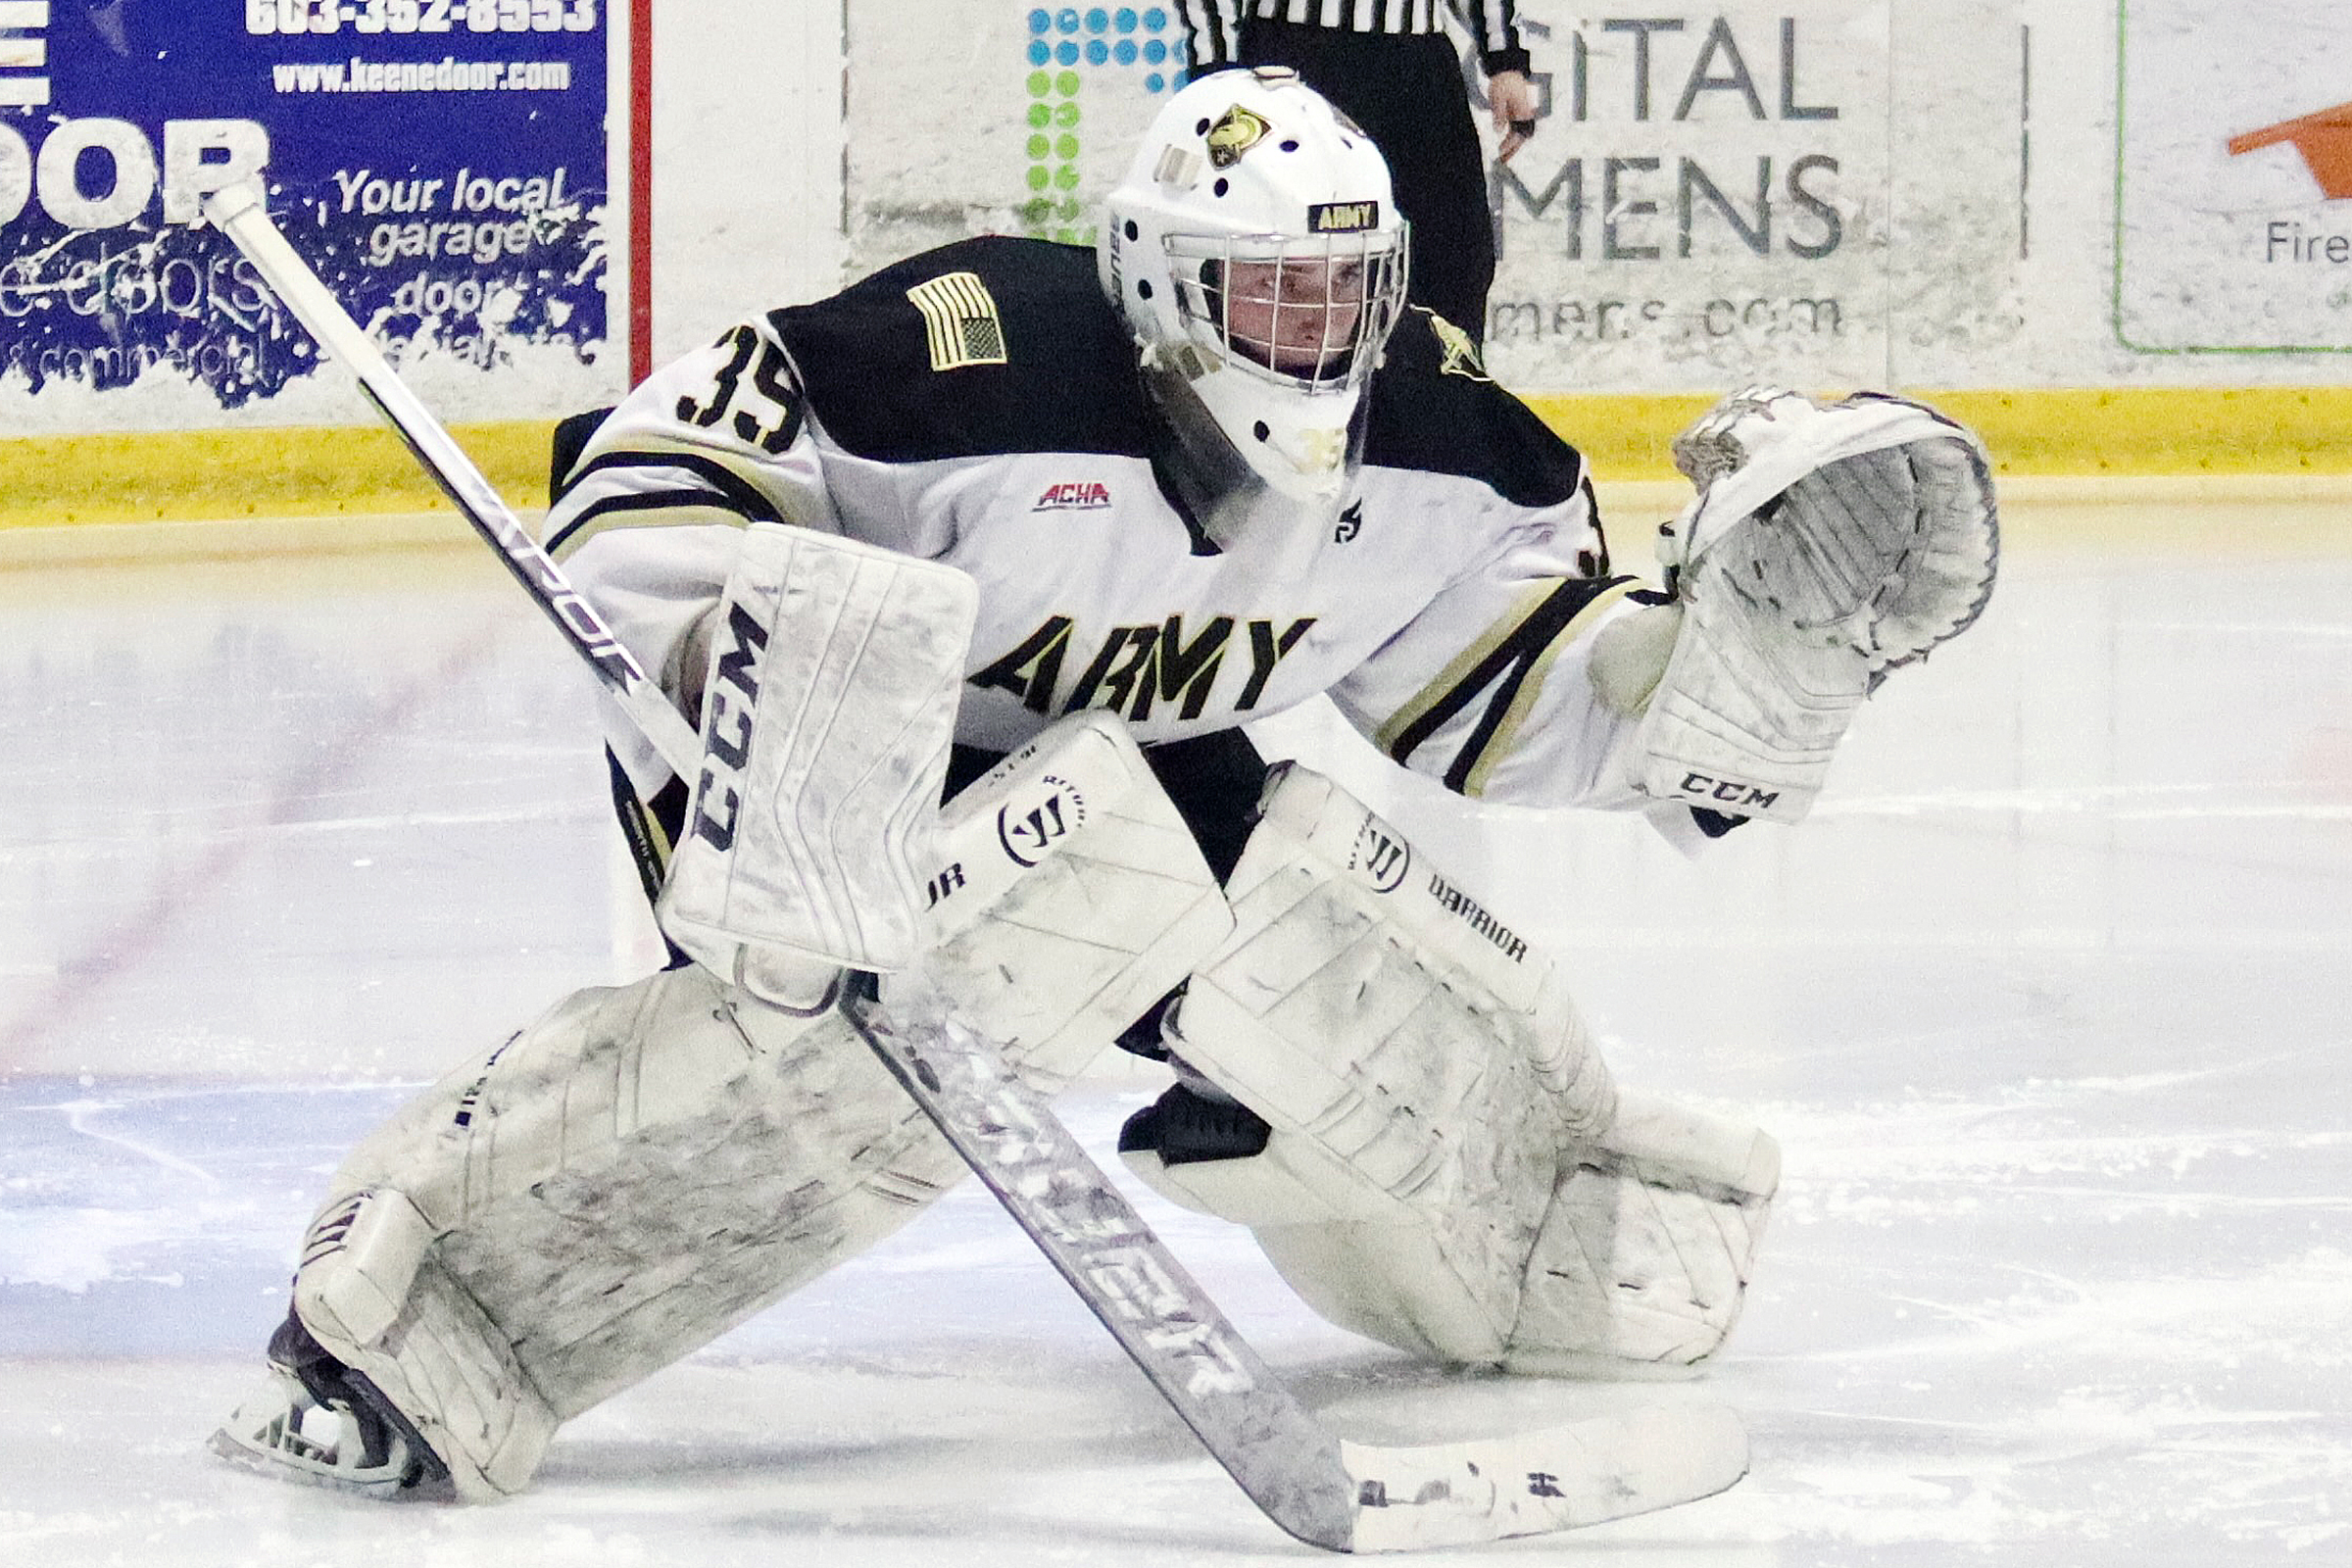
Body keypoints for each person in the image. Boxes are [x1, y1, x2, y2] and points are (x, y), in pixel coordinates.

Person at [210, 68, 1997, 1501]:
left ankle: (1528, 1236)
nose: (1318, 340)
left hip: (1118, 772)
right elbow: (646, 470)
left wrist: (1711, 689)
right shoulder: (960, 357)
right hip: (821, 752)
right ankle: (407, 1316)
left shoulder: (1444, 442)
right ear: (1158, 281)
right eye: (1272, 293)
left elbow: (1494, 694)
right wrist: (726, 664)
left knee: (1294, 931)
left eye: (1348, 294)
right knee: (944, 974)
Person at [1177, 1, 1542, 342]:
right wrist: (1218, 74)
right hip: (1295, 60)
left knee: (1455, 264)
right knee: (1300, 263)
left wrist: (1504, 57)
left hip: (1420, 66)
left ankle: (1438, 390)